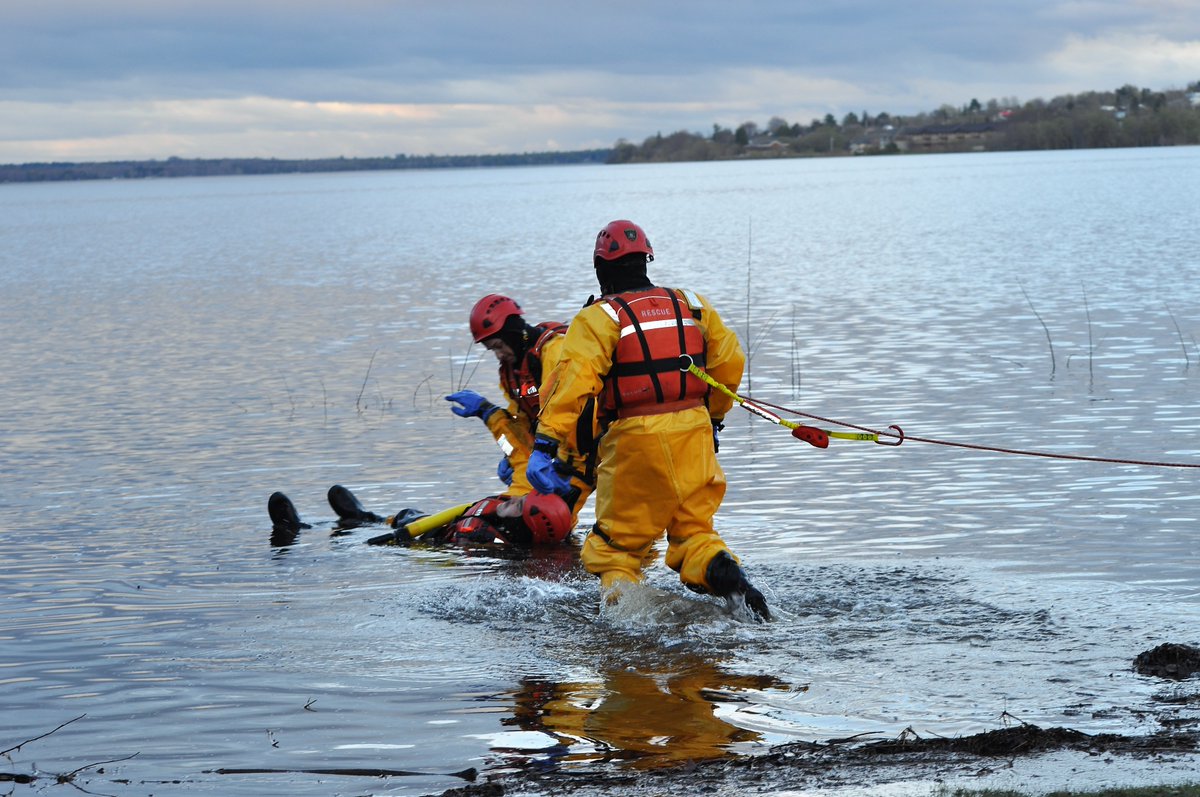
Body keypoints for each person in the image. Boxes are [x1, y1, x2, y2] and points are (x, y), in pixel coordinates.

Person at [525, 220, 770, 620]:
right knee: (695, 535)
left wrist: (546, 443)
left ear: (600, 268)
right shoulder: (692, 305)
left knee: (613, 551)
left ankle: (628, 631)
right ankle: (733, 583)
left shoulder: (600, 317)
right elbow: (730, 360)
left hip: (635, 442)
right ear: (647, 260)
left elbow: (572, 381)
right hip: (694, 435)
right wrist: (714, 420)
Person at [444, 294, 595, 519]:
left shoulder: (554, 352)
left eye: (498, 346)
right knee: (518, 521)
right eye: (491, 350)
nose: (499, 355)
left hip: (586, 455)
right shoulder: (512, 372)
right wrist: (489, 416)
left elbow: (577, 409)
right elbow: (522, 424)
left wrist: (561, 465)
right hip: (551, 457)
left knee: (546, 521)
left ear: (511, 333)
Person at [268, 485, 573, 549]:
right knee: (401, 515)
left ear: (523, 525)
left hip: (424, 539)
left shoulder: (487, 540)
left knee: (356, 536)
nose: (516, 499)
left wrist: (403, 541)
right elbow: (467, 506)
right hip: (423, 521)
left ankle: (297, 528)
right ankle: (365, 516)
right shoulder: (503, 511)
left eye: (521, 506)